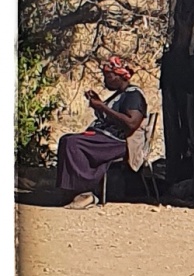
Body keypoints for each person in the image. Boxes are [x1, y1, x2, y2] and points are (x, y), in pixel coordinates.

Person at [56, 56, 148, 209]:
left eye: (109, 76)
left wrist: (103, 107)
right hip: (106, 138)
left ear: (120, 76)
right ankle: (72, 191)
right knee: (68, 139)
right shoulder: (119, 94)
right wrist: (98, 105)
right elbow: (110, 117)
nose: (105, 81)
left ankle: (85, 192)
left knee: (73, 144)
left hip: (118, 142)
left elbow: (131, 123)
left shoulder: (133, 95)